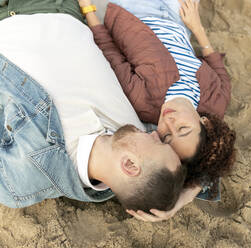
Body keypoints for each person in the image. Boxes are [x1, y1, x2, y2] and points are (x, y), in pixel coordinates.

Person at [0, 0, 186, 212]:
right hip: (60, 6)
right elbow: (205, 150)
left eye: (158, 143)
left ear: (130, 165)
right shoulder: (132, 130)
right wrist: (176, 200)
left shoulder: (26, 180)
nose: (157, 134)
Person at [78, 0, 236, 221]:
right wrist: (196, 27)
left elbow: (108, 50)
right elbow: (219, 71)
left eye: (166, 135)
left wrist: (88, 9)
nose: (169, 122)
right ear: (205, 122)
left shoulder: (144, 101)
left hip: (133, 11)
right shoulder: (214, 104)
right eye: (183, 128)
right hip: (178, 17)